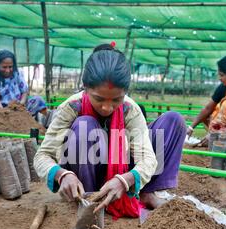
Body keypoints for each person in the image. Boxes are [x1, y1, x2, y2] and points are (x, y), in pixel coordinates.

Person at [34, 44, 186, 219]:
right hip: (86, 172)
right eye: (99, 99)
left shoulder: (130, 109)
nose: (107, 107)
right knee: (85, 126)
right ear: (85, 87)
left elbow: (147, 158)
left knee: (173, 120)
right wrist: (62, 175)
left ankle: (146, 192)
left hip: (120, 171)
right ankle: (89, 199)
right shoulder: (71, 107)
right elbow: (42, 156)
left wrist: (126, 180)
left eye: (116, 99)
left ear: (125, 92)